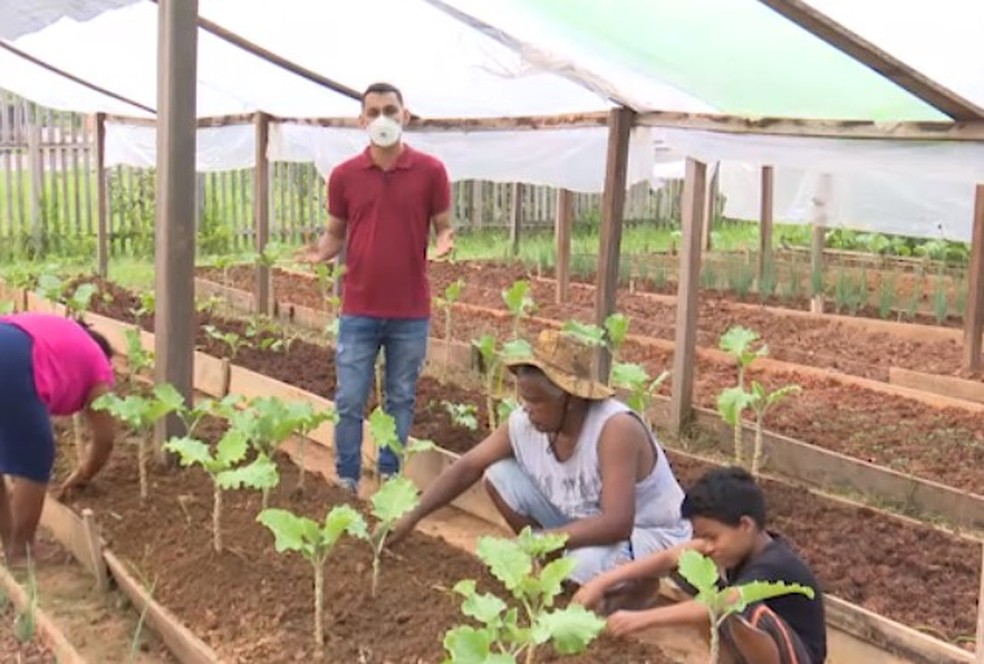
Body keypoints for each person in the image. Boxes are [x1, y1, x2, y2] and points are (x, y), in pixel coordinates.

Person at [387, 328, 693, 585]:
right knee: (499, 474)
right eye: (524, 399)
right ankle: (558, 569)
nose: (527, 409)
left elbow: (617, 523)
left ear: (571, 400)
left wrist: (542, 538)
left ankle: (627, 595)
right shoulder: (525, 422)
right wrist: (413, 517)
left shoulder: (615, 429)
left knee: (581, 565)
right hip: (584, 523)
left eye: (536, 401)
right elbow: (469, 466)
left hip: (648, 535)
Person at [300, 82, 455, 493]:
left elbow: (444, 226)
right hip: (359, 309)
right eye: (374, 112)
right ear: (362, 121)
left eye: (390, 110)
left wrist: (444, 244)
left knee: (400, 398)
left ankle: (389, 473)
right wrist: (319, 253)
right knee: (350, 398)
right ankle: (346, 477)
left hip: (410, 311)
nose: (382, 119)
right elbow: (336, 234)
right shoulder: (345, 176)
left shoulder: (431, 172)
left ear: (405, 115)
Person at [573, 466, 827, 664]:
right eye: (700, 536)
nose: (706, 545)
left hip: (798, 656)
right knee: (690, 567)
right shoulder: (737, 548)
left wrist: (641, 620)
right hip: (752, 643)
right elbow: (670, 557)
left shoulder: (776, 564)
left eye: (711, 537)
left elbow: (723, 603)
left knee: (746, 611)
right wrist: (602, 581)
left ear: (745, 526)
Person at [0, 312, 117, 564]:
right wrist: (83, 475)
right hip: (12, 361)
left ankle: (10, 541)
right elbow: (105, 438)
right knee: (36, 456)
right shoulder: (99, 363)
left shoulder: (61, 332)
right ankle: (21, 552)